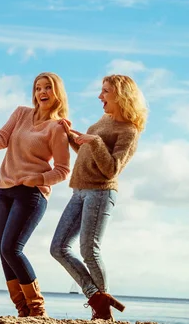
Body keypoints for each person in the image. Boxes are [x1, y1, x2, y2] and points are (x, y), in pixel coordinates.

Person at [0, 72, 71, 317]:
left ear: (57, 92)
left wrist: (38, 179)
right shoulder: (21, 113)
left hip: (31, 194)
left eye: (48, 88)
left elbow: (63, 170)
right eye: (38, 88)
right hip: (3, 191)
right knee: (4, 252)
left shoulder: (57, 127)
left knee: (11, 248)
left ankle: (37, 308)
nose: (42, 92)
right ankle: (23, 309)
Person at [50, 74, 147, 320]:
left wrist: (94, 141)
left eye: (105, 91)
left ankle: (102, 309)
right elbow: (87, 153)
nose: (99, 96)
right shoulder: (104, 119)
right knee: (58, 248)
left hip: (101, 192)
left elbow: (111, 169)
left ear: (121, 95)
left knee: (89, 250)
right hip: (79, 190)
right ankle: (96, 296)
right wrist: (72, 135)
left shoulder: (129, 131)